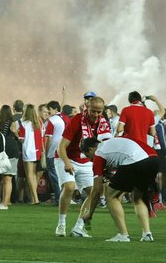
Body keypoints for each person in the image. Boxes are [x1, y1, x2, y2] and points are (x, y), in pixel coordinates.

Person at [81, 137, 158, 242]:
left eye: (87, 155)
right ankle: (147, 234)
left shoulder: (99, 154)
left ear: (90, 149)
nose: (89, 159)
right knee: (137, 197)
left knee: (110, 195)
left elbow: (96, 190)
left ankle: (123, 234)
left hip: (135, 161)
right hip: (153, 159)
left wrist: (90, 213)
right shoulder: (111, 142)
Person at [55, 96, 112, 237]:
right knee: (69, 187)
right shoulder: (76, 120)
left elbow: (105, 146)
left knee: (94, 193)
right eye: (93, 111)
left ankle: (78, 228)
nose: (96, 115)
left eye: (99, 112)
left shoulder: (104, 124)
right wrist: (67, 163)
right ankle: (61, 224)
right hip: (66, 157)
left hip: (86, 160)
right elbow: (61, 146)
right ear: (87, 108)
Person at [0, 105, 19, 209]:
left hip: (0, 150)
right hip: (11, 150)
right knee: (8, 178)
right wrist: (17, 135)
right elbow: (14, 131)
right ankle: (4, 203)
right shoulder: (12, 121)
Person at [19, 103, 44, 204]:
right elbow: (42, 137)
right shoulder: (39, 122)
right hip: (37, 150)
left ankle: (35, 198)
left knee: (29, 175)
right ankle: (34, 198)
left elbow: (21, 139)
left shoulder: (24, 124)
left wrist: (15, 133)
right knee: (33, 175)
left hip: (28, 151)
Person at [43, 100, 66, 204]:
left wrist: (46, 152)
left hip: (53, 151)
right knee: (62, 175)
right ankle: (65, 198)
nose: (48, 112)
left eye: (50, 110)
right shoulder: (65, 119)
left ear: (55, 109)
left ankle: (58, 199)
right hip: (64, 150)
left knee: (54, 175)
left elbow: (49, 139)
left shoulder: (51, 120)